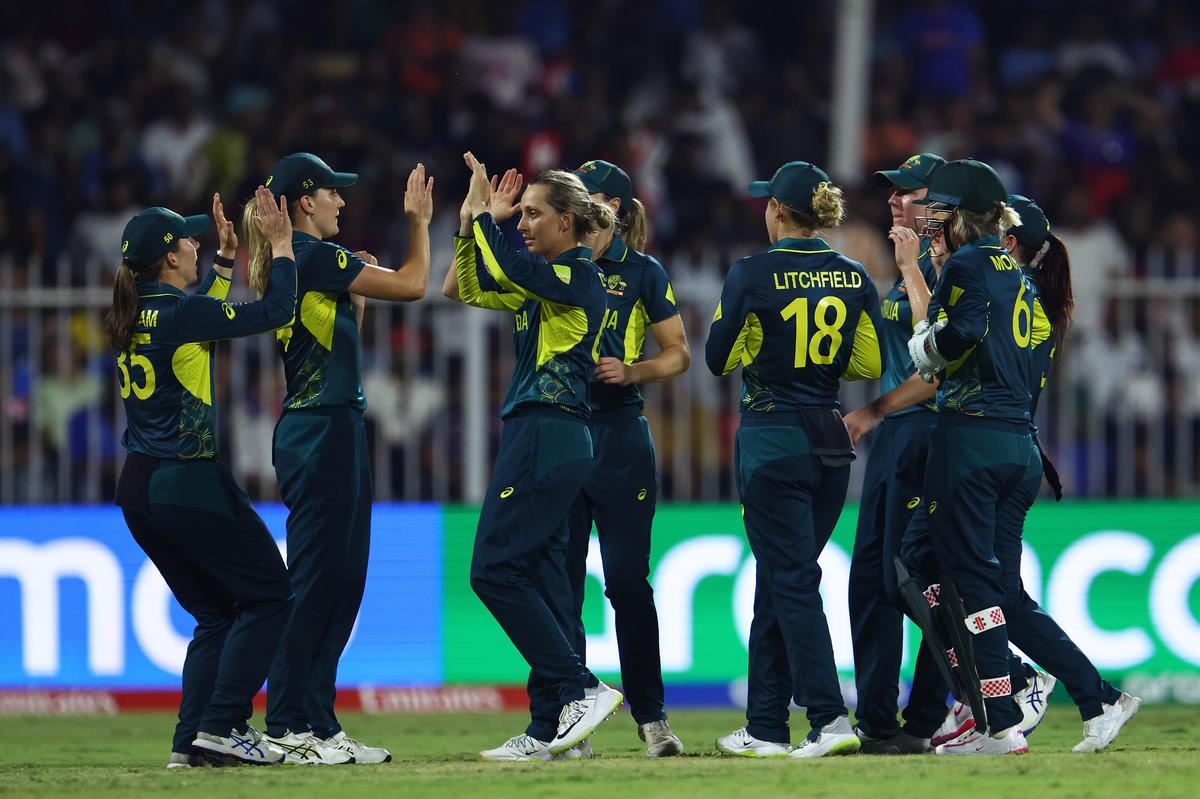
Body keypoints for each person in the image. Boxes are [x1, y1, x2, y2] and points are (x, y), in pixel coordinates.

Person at [243, 152, 434, 765]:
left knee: (342, 581)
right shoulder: (312, 256)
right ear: (305, 202)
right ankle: (287, 724)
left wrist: (356, 293)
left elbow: (338, 331)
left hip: (333, 424)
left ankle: (318, 722)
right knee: (316, 582)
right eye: (333, 193)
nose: (342, 203)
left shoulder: (303, 264)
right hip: (321, 428)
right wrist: (420, 222)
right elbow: (413, 285)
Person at [107, 190, 296, 767]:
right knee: (270, 595)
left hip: (137, 487)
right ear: (169, 258)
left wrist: (221, 264)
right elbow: (275, 311)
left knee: (216, 614)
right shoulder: (181, 314)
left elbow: (197, 323)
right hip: (186, 479)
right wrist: (282, 248)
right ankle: (223, 724)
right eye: (190, 240)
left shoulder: (137, 312)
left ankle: (190, 742)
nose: (197, 243)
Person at [446, 152, 624, 761]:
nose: (523, 223)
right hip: (550, 437)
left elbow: (508, 265)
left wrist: (488, 221)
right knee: (546, 582)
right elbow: (463, 286)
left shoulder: (576, 279)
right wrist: (469, 223)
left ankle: (578, 688)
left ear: (568, 224)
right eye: (519, 215)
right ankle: (552, 728)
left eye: (533, 214)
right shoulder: (543, 287)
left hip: (545, 434)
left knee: (491, 570)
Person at [707, 161, 885, 759]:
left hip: (772, 439)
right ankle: (764, 724)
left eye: (766, 204)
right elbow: (865, 365)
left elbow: (716, 357)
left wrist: (758, 340)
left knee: (792, 580)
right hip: (830, 443)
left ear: (778, 211)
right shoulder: (855, 275)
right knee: (781, 580)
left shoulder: (751, 273)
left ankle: (829, 717)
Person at [981, 194, 1139, 752]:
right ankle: (1081, 694)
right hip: (1019, 452)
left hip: (994, 453)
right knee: (994, 589)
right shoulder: (1039, 303)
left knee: (991, 590)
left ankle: (1070, 690)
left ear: (1009, 243)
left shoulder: (1001, 291)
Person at [554, 159, 690, 758]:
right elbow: (460, 289)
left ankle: (652, 718)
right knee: (559, 586)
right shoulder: (549, 267)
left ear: (619, 209)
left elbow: (679, 352)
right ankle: (570, 715)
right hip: (558, 433)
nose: (585, 212)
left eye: (595, 202)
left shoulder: (641, 272)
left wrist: (632, 370)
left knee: (628, 586)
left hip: (618, 436)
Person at [901, 159, 1035, 755]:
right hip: (1016, 437)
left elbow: (957, 337)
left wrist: (924, 347)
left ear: (963, 215)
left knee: (960, 573)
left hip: (969, 435)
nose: (933, 219)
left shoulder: (966, 263)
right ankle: (989, 698)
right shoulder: (1019, 273)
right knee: (937, 561)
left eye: (942, 210)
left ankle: (999, 713)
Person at [841, 153, 946, 754]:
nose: (894, 200)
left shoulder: (954, 272)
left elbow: (936, 365)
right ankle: (878, 721)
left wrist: (874, 409)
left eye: (909, 193)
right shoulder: (895, 276)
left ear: (940, 209)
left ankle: (935, 712)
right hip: (893, 440)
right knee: (872, 583)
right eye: (892, 192)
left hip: (927, 434)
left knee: (912, 581)